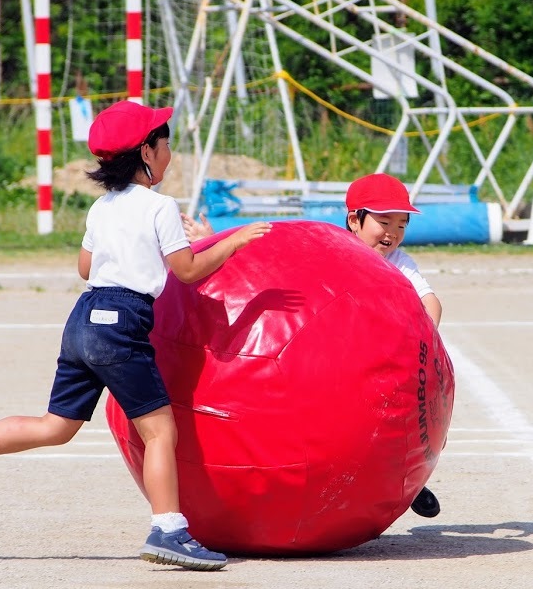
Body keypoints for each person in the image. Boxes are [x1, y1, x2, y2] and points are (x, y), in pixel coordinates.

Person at [0, 100, 271, 571]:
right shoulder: (160, 206)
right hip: (121, 325)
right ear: (146, 152)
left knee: (56, 426)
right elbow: (187, 271)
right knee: (161, 431)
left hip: (83, 318)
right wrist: (235, 239)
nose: (170, 153)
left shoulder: (102, 207)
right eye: (166, 144)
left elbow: (85, 267)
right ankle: (169, 530)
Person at [181, 173, 443, 517]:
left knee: (410, 415)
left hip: (377, 363)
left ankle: (411, 480)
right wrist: (215, 241)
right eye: (383, 222)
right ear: (354, 219)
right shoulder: (329, 250)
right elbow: (266, 262)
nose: (392, 232)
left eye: (401, 224)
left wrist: (424, 335)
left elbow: (430, 301)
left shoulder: (399, 263)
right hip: (329, 361)